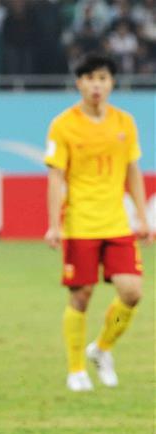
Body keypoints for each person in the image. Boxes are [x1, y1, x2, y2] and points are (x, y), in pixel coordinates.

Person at [43, 54, 152, 392]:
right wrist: (54, 224)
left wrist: (143, 216)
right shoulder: (63, 125)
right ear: (79, 83)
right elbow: (55, 177)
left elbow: (133, 171)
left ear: (112, 83)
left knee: (132, 292)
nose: (96, 85)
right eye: (89, 78)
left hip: (117, 222)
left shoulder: (124, 123)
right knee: (81, 297)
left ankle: (102, 349)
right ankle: (76, 369)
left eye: (102, 78)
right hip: (80, 224)